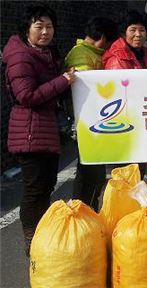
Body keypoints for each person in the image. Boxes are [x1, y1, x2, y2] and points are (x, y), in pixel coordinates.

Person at [2, 4, 76, 256]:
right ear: (27, 28)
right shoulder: (20, 55)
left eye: (49, 26)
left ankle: (41, 237)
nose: (45, 32)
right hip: (30, 131)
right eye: (39, 26)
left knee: (46, 185)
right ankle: (31, 241)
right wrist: (62, 80)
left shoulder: (45, 53)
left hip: (46, 130)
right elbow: (26, 95)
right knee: (35, 189)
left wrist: (67, 81)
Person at [64, 16, 117, 211]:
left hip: (94, 122)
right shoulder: (80, 54)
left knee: (93, 172)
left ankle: (87, 209)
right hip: (87, 123)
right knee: (89, 172)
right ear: (102, 38)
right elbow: (86, 88)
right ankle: (81, 210)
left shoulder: (88, 52)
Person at [103, 10, 147, 178]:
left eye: (142, 30)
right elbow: (118, 97)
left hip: (139, 123)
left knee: (137, 174)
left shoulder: (141, 54)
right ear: (124, 32)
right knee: (127, 176)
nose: (138, 34)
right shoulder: (117, 59)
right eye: (133, 30)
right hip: (126, 126)